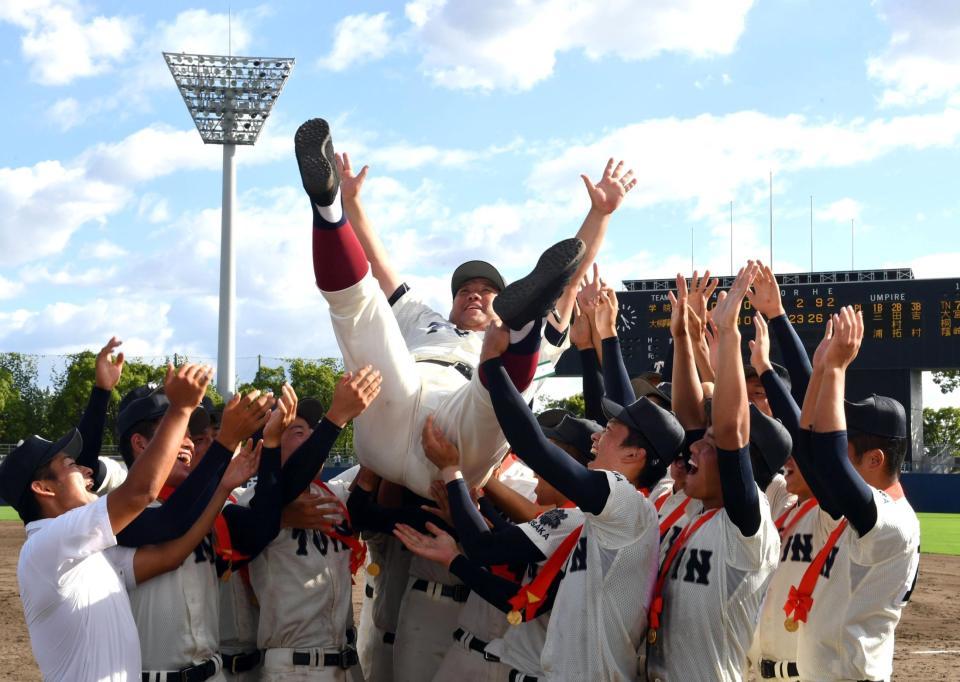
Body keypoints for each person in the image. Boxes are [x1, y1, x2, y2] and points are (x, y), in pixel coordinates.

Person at [294, 117, 637, 496]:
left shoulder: (514, 335)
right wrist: (350, 203)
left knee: (493, 392)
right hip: (396, 401)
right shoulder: (422, 317)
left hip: (461, 431)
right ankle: (326, 207)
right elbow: (379, 262)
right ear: (453, 302)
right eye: (466, 290)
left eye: (487, 290)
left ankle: (524, 327)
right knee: (361, 306)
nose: (474, 293)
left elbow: (570, 278)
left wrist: (600, 213)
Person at [3, 360, 212, 681]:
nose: (86, 470)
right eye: (72, 464)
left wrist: (222, 487)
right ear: (42, 488)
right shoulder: (49, 545)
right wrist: (180, 409)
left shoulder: (87, 550)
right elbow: (140, 492)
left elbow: (171, 556)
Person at [645, 263, 781, 682]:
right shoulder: (693, 507)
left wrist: (729, 337)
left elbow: (728, 433)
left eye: (710, 445)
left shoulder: (747, 525)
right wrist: (683, 337)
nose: (694, 449)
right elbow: (690, 416)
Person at [791, 307, 921, 682]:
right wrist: (819, 374)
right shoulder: (858, 513)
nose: (837, 449)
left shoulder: (894, 522)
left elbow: (829, 463)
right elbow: (813, 453)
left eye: (847, 444)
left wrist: (835, 370)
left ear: (874, 459)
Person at [243, 368, 383, 681]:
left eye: (311, 430)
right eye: (296, 431)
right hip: (294, 667)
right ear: (270, 443)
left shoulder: (334, 494)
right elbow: (281, 490)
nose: (310, 438)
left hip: (347, 664)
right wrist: (337, 417)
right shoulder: (249, 500)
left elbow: (373, 471)